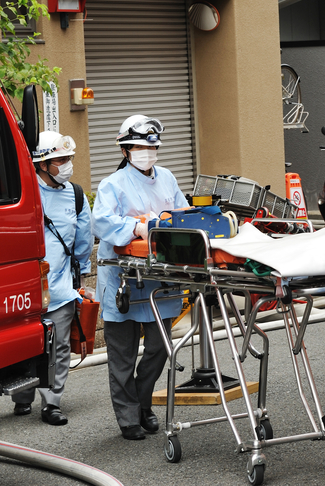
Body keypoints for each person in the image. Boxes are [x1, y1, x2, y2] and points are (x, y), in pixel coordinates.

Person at [92, 114, 189, 441]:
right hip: (123, 278)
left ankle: (142, 402)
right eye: (139, 146)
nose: (148, 151)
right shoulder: (111, 185)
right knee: (122, 355)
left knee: (161, 348)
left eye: (153, 146)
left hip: (158, 279)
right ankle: (129, 418)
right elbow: (101, 223)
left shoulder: (168, 179)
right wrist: (135, 226)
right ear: (125, 150)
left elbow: (183, 214)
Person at [12, 130, 92, 426]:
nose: (67, 165)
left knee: (58, 345)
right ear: (43, 165)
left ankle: (52, 402)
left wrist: (82, 277)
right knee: (27, 343)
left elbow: (84, 238)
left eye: (68, 158)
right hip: (29, 286)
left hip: (61, 286)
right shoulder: (24, 192)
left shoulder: (77, 195)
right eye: (60, 160)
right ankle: (22, 396)